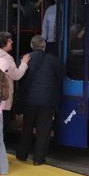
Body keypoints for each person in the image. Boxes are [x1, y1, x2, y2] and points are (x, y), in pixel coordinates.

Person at [16, 35, 63, 165]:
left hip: (29, 100)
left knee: (27, 128)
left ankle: (21, 155)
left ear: (31, 45)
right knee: (43, 130)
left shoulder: (25, 59)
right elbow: (60, 78)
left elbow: (20, 79)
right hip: (47, 101)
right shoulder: (54, 60)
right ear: (44, 46)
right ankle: (38, 159)